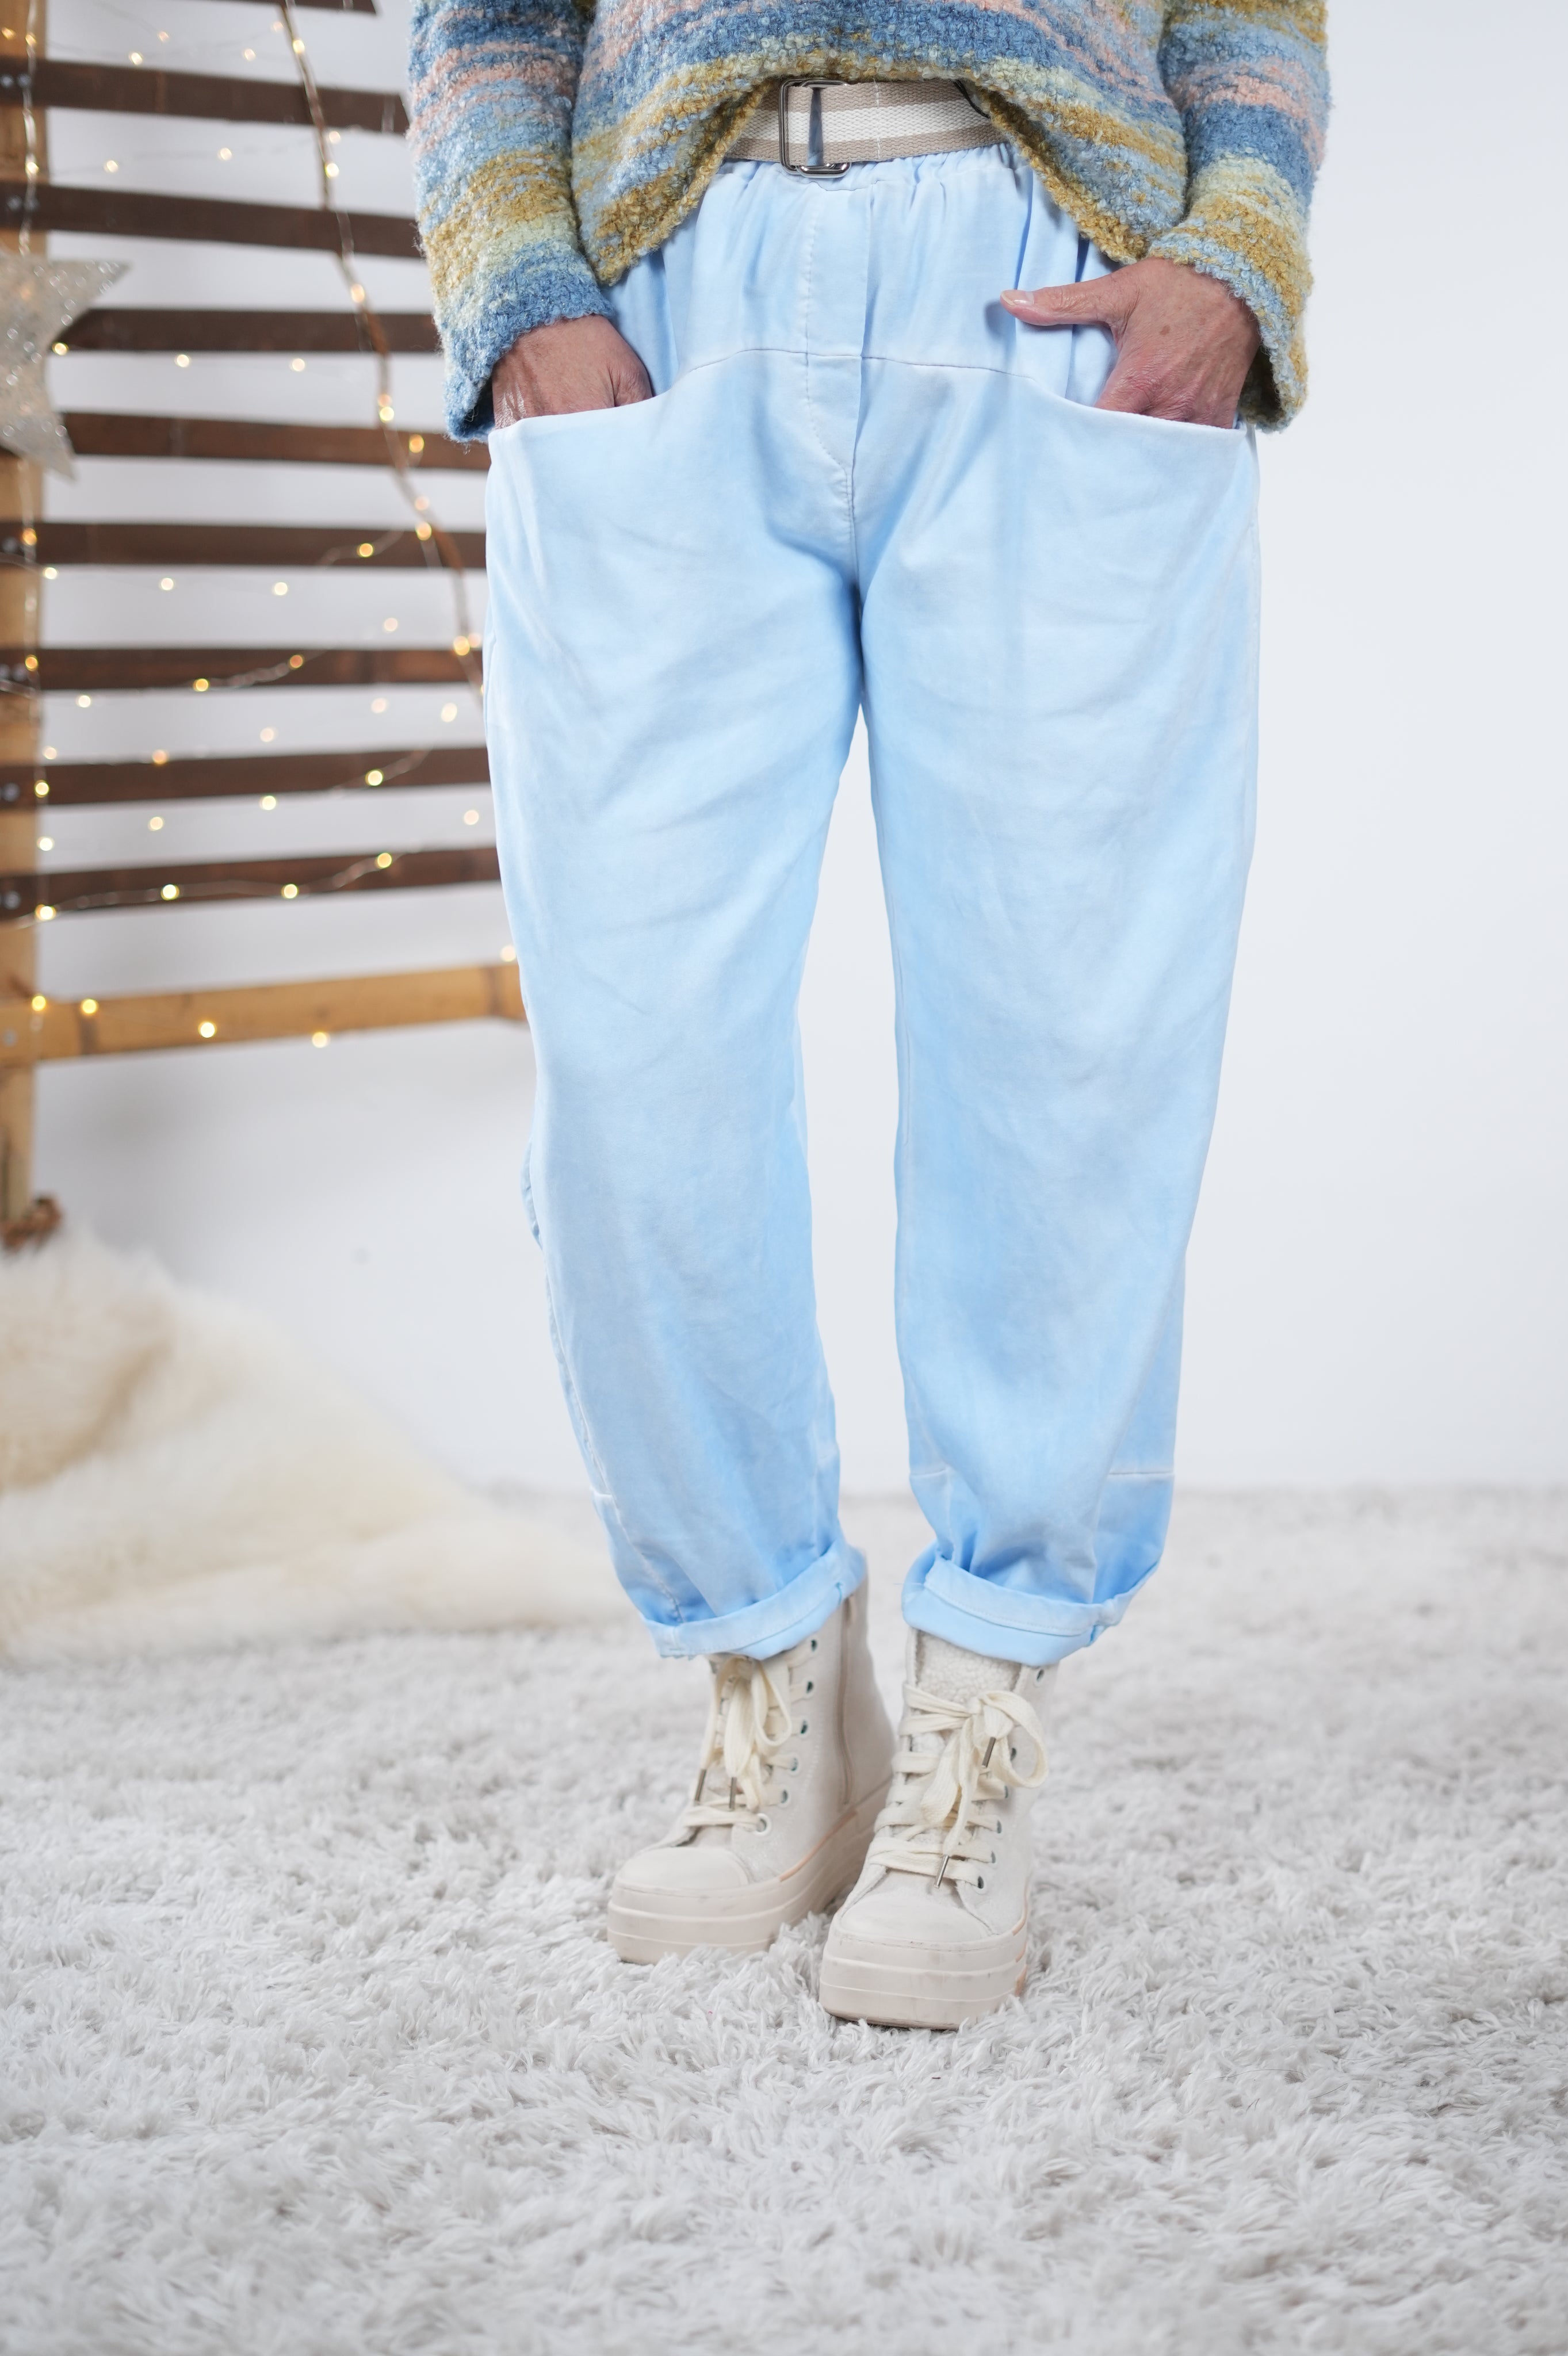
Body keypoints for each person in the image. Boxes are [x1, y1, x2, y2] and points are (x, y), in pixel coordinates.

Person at [410, 2, 1329, 2029]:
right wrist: (524, 288)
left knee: (1067, 1042)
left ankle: (986, 1694)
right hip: (660, 289)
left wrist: (1235, 259)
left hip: (1055, 278)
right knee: (634, 1055)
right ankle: (776, 1680)